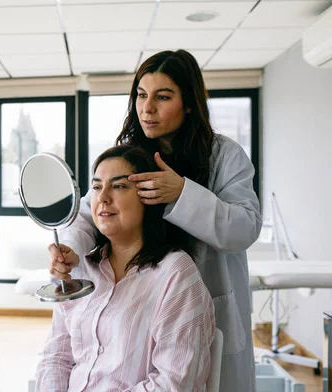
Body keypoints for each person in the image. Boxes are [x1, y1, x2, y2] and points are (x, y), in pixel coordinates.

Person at [49, 50, 262, 391]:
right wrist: (70, 250)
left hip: (197, 297)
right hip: (138, 308)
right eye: (141, 95)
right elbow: (91, 213)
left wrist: (182, 194)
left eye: (163, 97)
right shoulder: (130, 154)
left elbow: (245, 228)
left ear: (189, 103)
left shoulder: (223, 155)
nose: (147, 109)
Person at [36, 145, 216, 391]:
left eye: (119, 186)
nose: (102, 198)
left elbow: (174, 383)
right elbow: (56, 356)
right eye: (97, 187)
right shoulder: (81, 271)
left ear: (148, 197)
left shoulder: (176, 274)